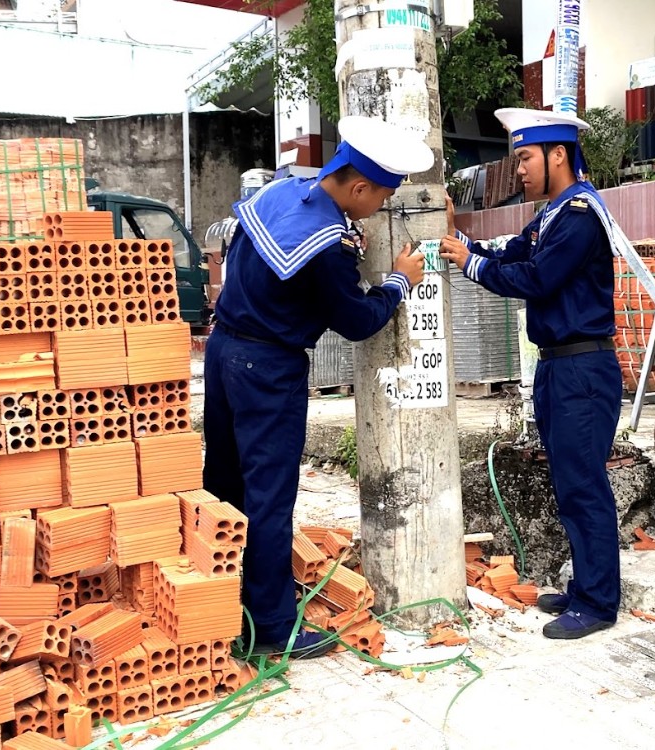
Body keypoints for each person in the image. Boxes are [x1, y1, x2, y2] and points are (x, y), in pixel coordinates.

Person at [203, 116, 432, 658]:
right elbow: (356, 320)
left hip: (224, 351)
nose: (381, 206)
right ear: (359, 188)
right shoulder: (328, 246)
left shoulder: (284, 192)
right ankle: (274, 631)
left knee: (223, 485)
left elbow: (277, 254)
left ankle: (213, 608)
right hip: (269, 368)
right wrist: (399, 280)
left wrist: (348, 240)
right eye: (381, 195)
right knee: (269, 499)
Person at [440, 108, 624, 640]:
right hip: (558, 368)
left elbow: (537, 278)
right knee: (569, 484)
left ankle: (597, 603)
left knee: (584, 485)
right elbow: (511, 253)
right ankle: (585, 586)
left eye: (524, 158)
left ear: (557, 155)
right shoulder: (551, 215)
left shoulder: (581, 217)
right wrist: (462, 243)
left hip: (581, 369)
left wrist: (470, 264)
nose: (518, 170)